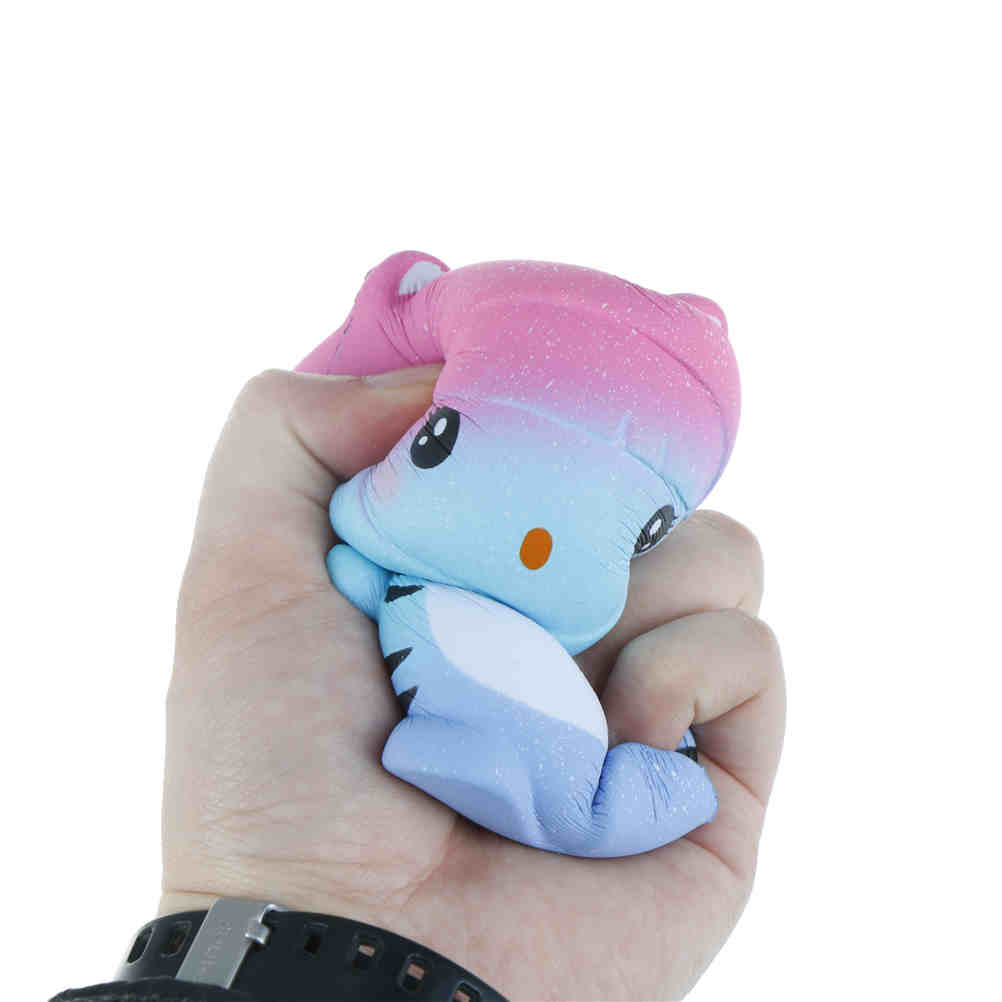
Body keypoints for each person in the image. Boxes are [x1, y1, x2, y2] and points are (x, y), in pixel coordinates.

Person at [52, 366, 785, 1002]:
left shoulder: (406, 582)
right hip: (524, 738)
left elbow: (362, 573)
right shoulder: (398, 578)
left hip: (533, 734)